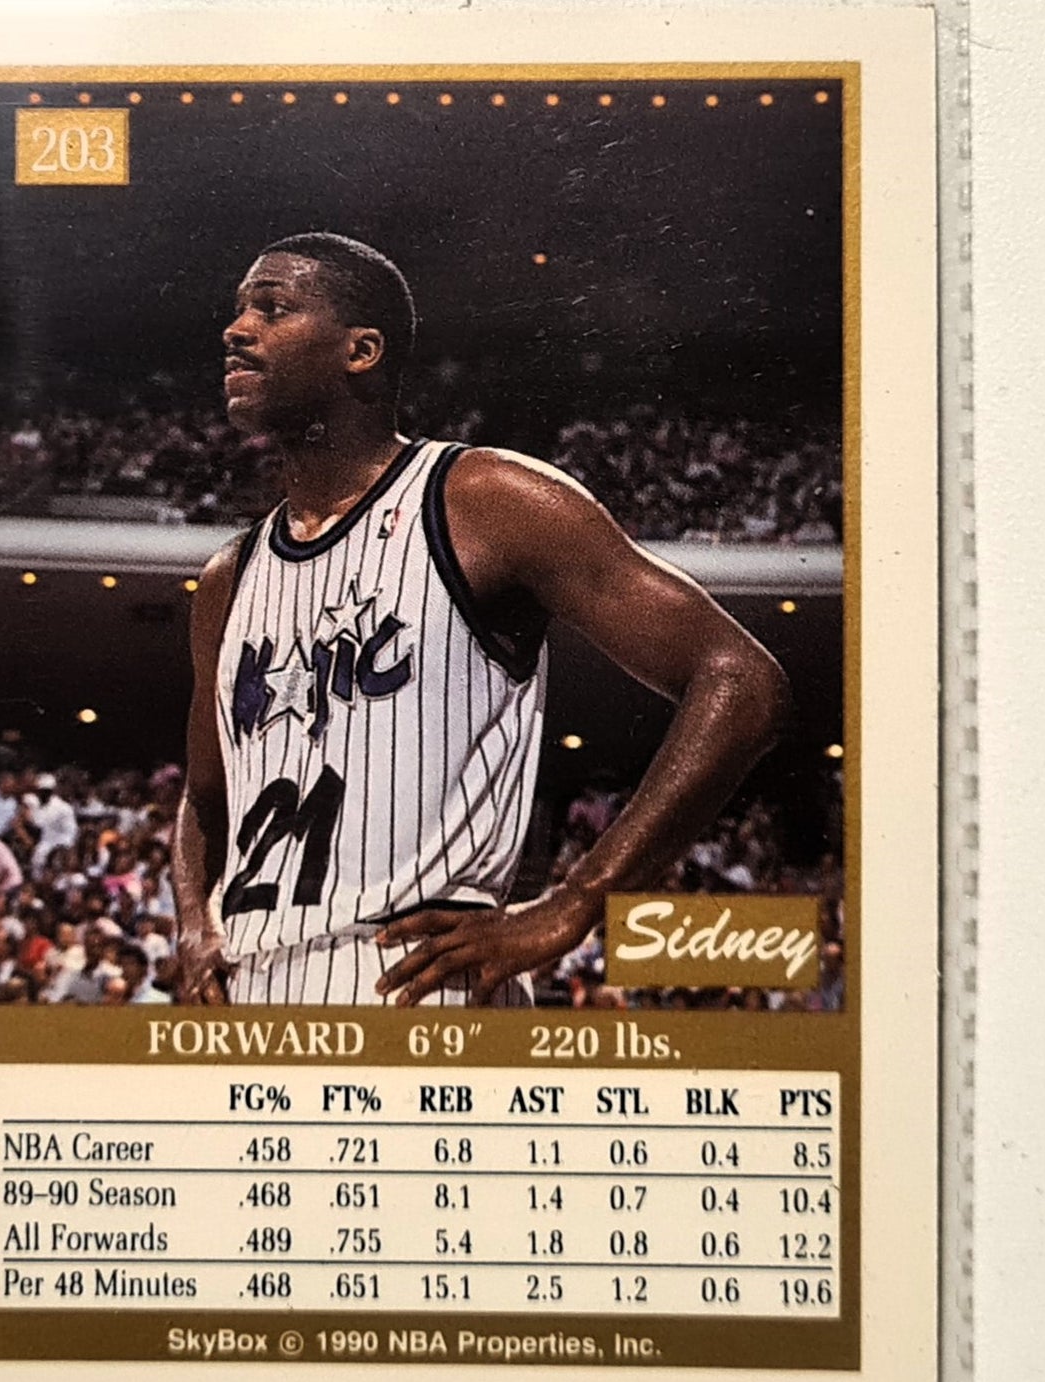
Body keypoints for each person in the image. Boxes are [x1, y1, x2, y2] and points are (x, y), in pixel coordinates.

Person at [173, 232, 788, 1008]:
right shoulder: (229, 577)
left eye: (271, 308)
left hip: (417, 983)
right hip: (249, 998)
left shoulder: (483, 499)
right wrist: (192, 924)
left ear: (360, 351)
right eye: (238, 310)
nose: (235, 330)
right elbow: (205, 796)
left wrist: (574, 900)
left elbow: (740, 680)